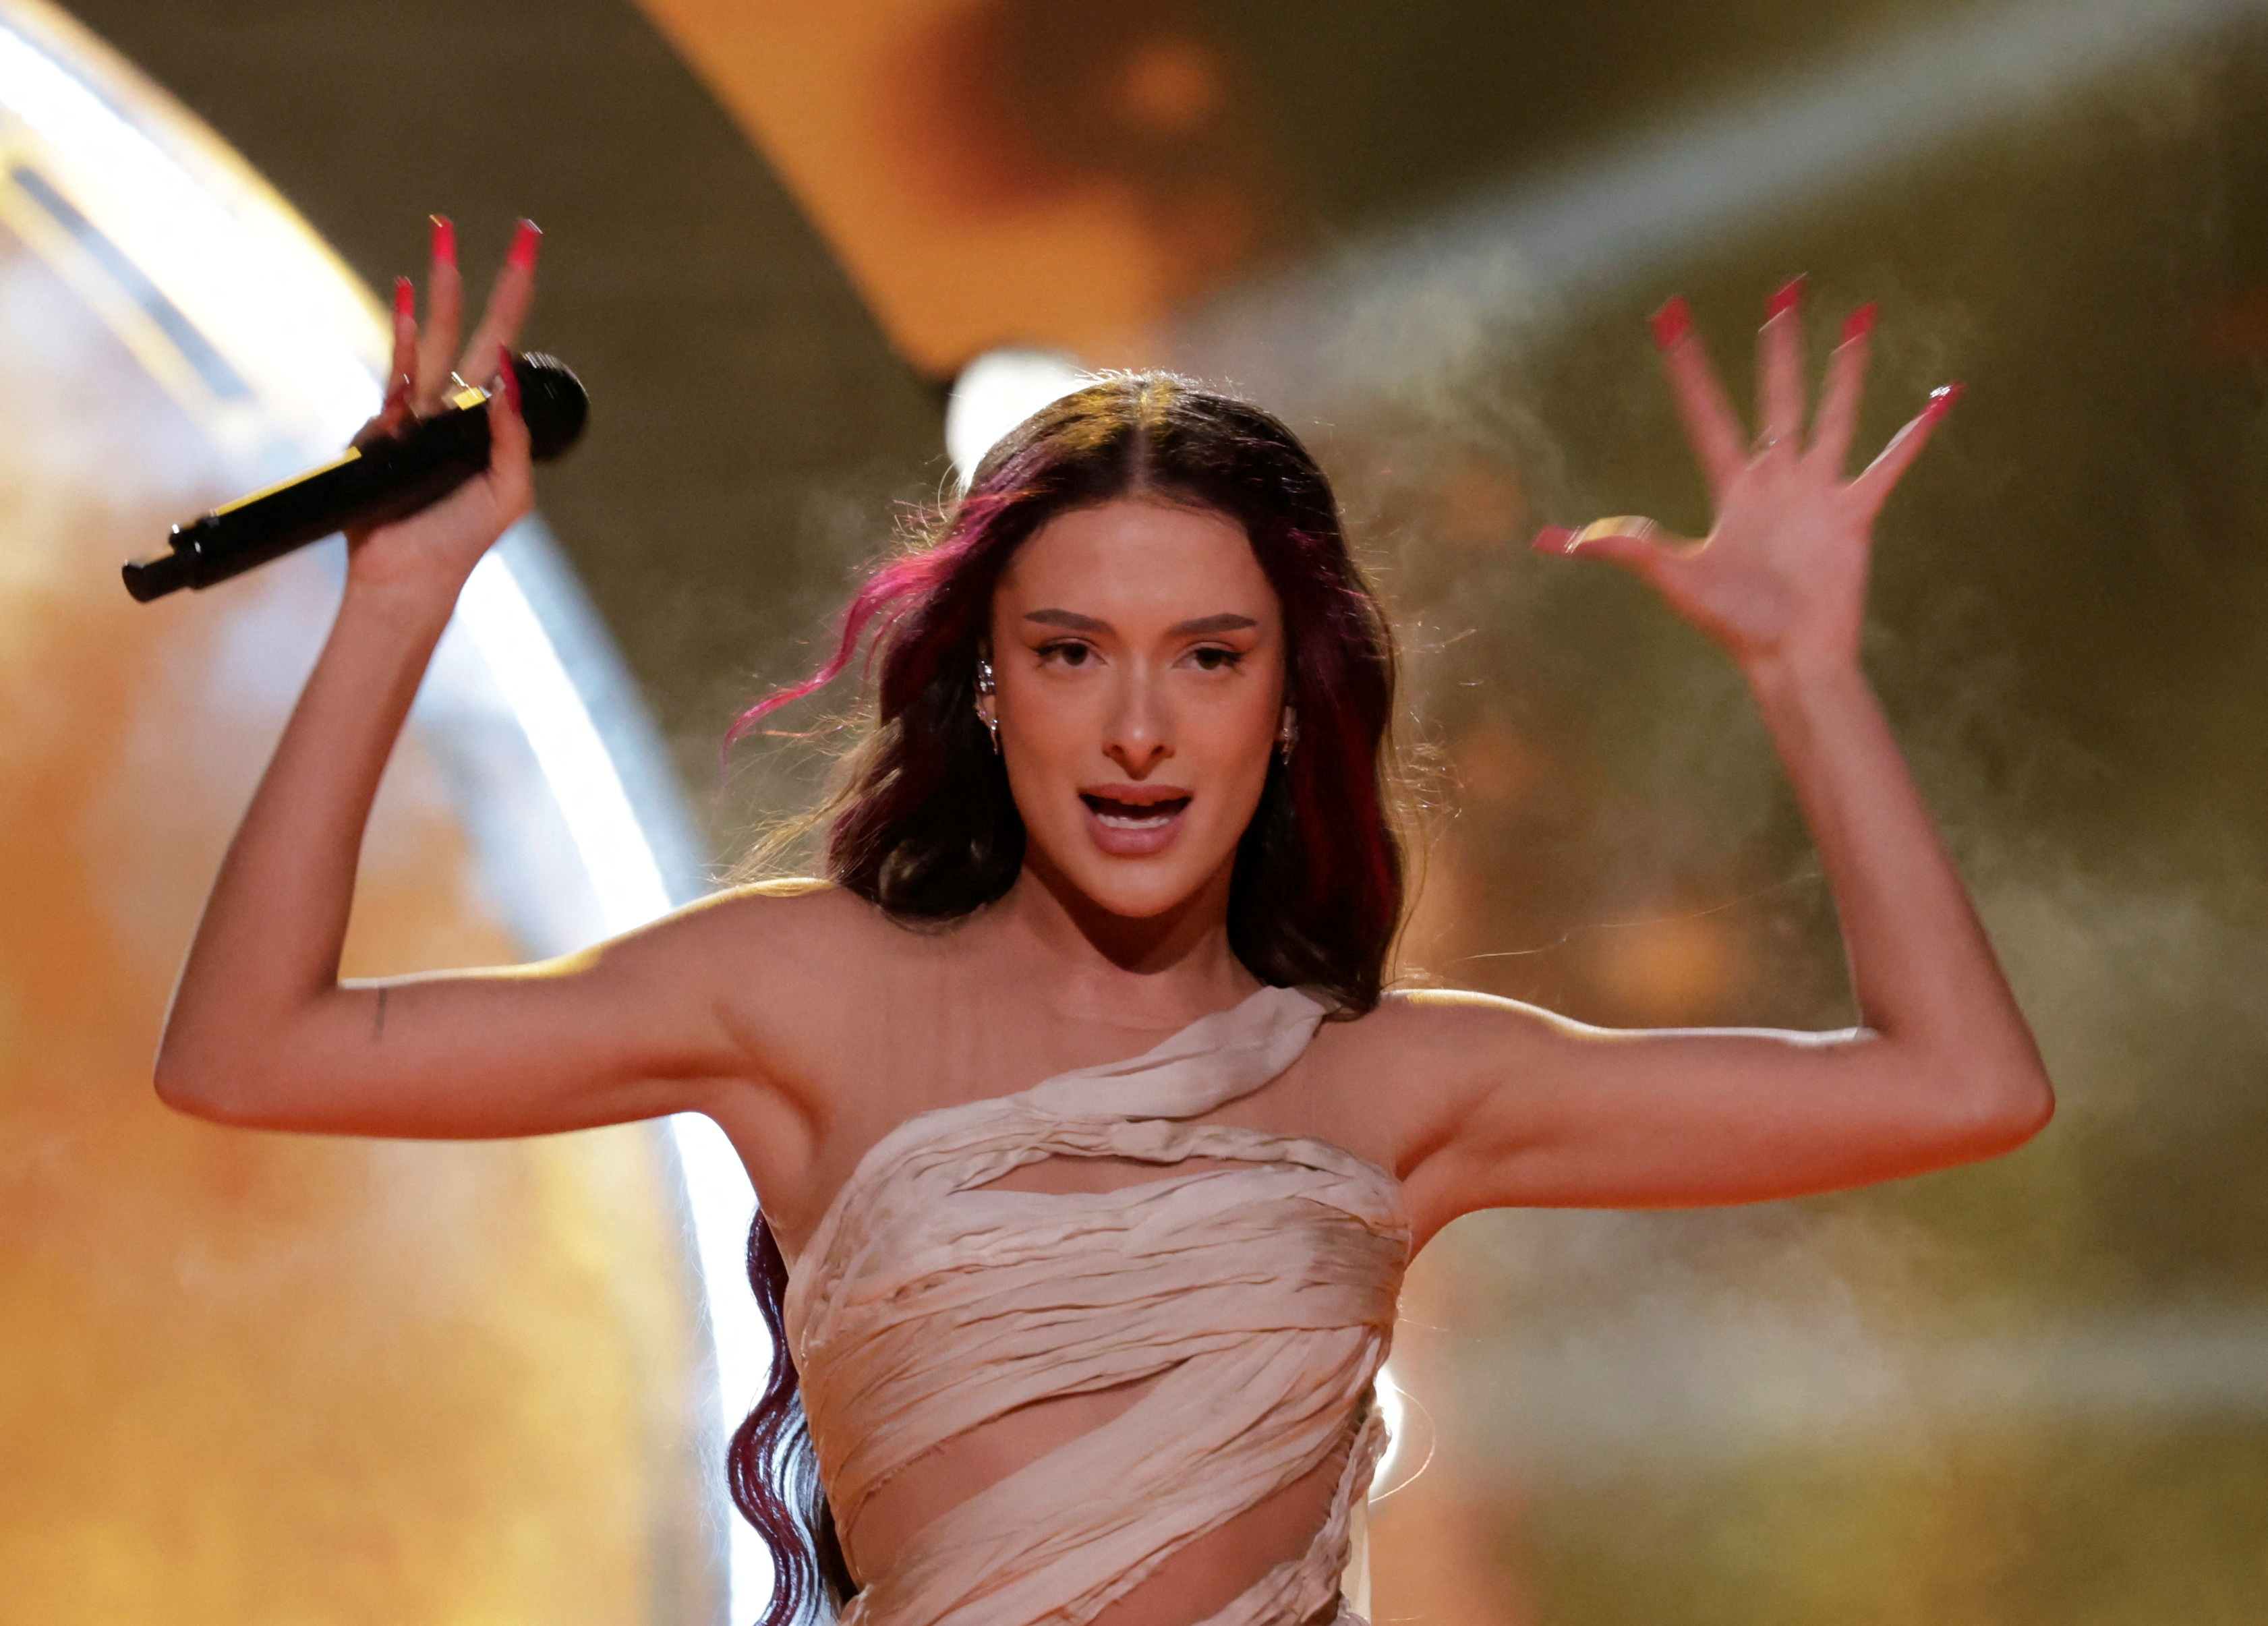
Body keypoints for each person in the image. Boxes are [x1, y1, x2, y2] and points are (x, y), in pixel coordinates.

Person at [154, 222, 2053, 1626]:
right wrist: (400, 602)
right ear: (986, 686)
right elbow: (247, 1049)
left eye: (1206, 657)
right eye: (1071, 653)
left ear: (1287, 698)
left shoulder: (1397, 1082)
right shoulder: (796, 991)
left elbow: (1958, 1083)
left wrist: (1804, 672)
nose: (1137, 726)